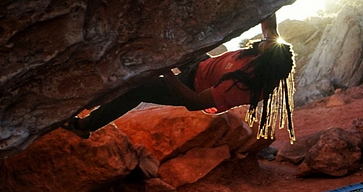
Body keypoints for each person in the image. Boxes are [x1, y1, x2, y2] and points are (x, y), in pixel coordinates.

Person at [61, 14, 296, 143]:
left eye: (263, 47)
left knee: (139, 89)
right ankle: (95, 95)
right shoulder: (272, 54)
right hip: (200, 65)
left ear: (264, 65)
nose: (262, 42)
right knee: (173, 43)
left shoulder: (242, 86)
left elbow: (193, 102)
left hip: (189, 86)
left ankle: (85, 126)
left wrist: (165, 71)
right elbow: (269, 26)